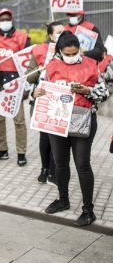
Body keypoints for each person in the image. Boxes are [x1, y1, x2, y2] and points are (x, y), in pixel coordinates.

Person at [33, 31, 108, 227]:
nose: (72, 56)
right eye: (67, 53)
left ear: (79, 49)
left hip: (83, 119)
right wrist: (36, 92)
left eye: (75, 52)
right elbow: (39, 90)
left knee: (82, 164)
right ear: (60, 51)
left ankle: (88, 210)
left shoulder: (91, 65)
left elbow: (104, 92)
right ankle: (63, 200)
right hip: (57, 120)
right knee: (60, 163)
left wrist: (87, 90)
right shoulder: (50, 66)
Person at [0, 8, 30, 166]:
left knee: (19, 121)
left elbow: (28, 63)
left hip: (15, 83)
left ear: (12, 20)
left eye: (7, 19)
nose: (5, 22)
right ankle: (2, 149)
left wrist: (26, 86)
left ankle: (21, 152)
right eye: (2, 19)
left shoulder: (22, 38)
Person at [26, 20, 65, 186]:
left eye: (65, 32)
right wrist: (39, 69)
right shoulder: (39, 50)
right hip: (43, 98)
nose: (63, 35)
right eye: (59, 33)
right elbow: (29, 77)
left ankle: (54, 171)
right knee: (45, 137)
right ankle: (45, 169)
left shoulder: (71, 49)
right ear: (50, 35)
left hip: (61, 100)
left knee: (56, 137)